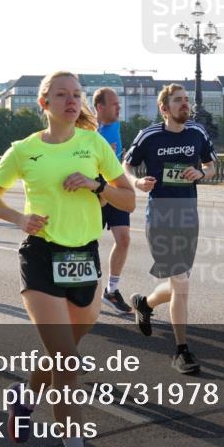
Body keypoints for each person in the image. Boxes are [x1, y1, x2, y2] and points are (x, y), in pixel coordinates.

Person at [0, 71, 133, 447]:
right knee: (66, 361)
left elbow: (129, 198)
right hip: (42, 256)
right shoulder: (24, 150)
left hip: (85, 257)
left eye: (76, 94)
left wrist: (97, 184)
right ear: (44, 103)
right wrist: (20, 218)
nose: (71, 100)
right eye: (61, 94)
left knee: (59, 354)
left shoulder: (94, 144)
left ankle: (24, 398)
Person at [124, 83, 216, 375]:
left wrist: (202, 172)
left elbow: (212, 165)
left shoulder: (197, 132)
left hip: (188, 215)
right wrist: (136, 182)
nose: (185, 105)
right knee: (181, 282)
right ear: (164, 108)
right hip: (160, 216)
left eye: (186, 100)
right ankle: (181, 351)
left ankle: (146, 303)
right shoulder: (150, 135)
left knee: (180, 282)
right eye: (178, 101)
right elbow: (124, 166)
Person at [92, 87, 133, 314]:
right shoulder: (87, 131)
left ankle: (111, 290)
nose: (119, 107)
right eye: (114, 104)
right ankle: (84, 287)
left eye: (119, 103)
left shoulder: (114, 125)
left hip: (115, 188)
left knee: (124, 238)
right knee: (87, 241)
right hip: (93, 190)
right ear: (100, 107)